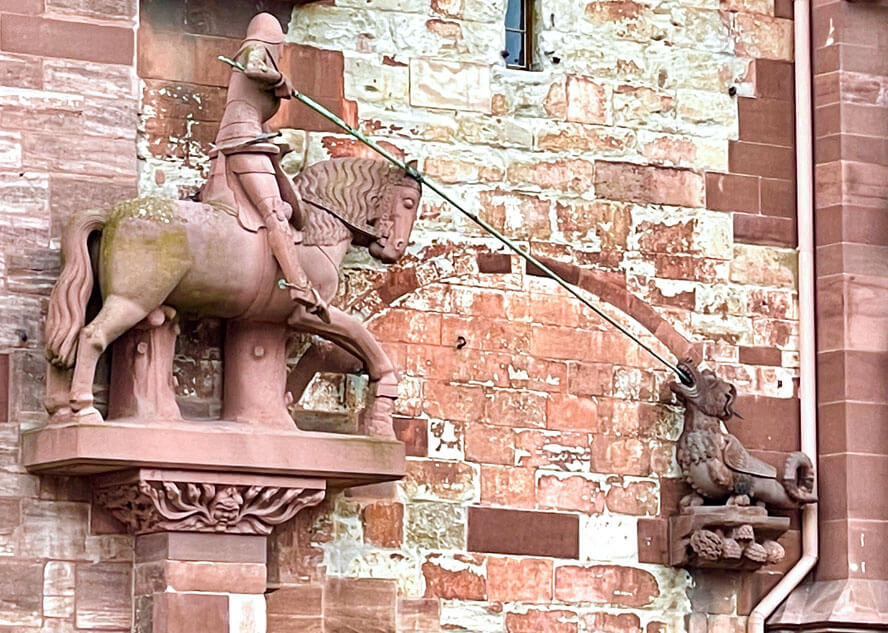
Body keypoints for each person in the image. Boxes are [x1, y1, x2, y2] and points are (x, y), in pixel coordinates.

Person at [200, 12, 328, 321]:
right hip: (244, 142)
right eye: (279, 46)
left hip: (249, 138)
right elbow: (255, 69)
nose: (279, 53)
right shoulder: (254, 50)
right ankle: (299, 284)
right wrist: (281, 80)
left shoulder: (254, 56)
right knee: (274, 212)